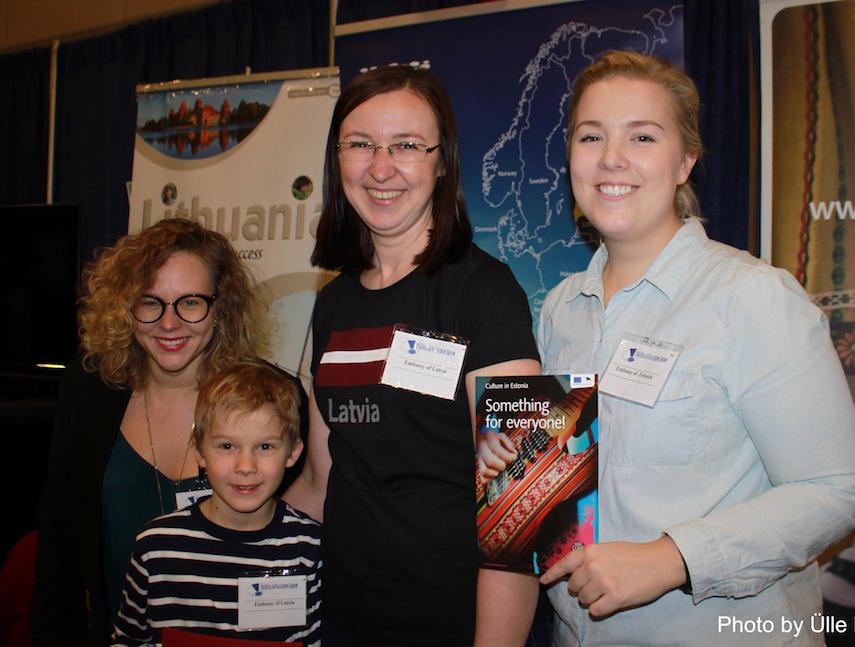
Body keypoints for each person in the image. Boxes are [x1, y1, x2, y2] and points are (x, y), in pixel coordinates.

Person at [532, 51, 855, 645]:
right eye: (592, 136)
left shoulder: (752, 299)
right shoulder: (561, 309)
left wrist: (671, 559)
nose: (612, 157)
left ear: (685, 160)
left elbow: (836, 491)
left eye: (642, 135)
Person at [281, 65, 541, 646]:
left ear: (442, 161)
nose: (380, 168)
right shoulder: (334, 304)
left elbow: (522, 506)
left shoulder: (486, 293)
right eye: (360, 145)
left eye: (405, 145)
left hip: (456, 628)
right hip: (344, 624)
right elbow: (324, 484)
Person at [31, 218, 307, 646]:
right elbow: (59, 544)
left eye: (190, 302)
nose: (169, 323)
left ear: (221, 307)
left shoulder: (273, 402)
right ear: (126, 306)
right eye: (150, 302)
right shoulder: (89, 394)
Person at [111, 361, 321, 645]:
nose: (246, 466)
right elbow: (128, 640)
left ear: (293, 452)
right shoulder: (156, 548)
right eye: (226, 446)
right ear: (199, 451)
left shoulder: (309, 547)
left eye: (265, 446)